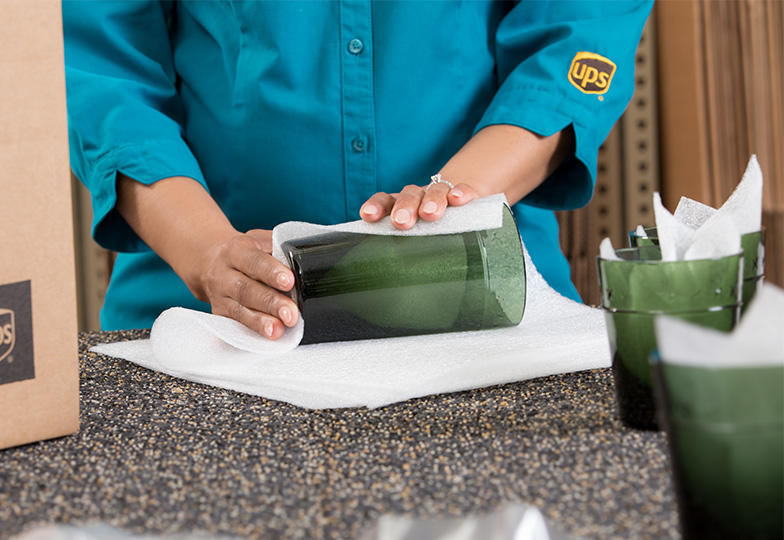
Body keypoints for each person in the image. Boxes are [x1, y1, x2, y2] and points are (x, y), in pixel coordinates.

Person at [63, 0, 653, 338]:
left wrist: (452, 199)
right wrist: (209, 255)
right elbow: (104, 73)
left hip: (483, 301)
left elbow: (581, 33)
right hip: (203, 324)